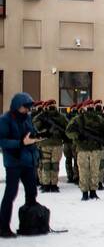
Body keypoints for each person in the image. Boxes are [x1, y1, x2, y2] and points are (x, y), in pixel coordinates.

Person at [0, 93, 41, 239]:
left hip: (28, 160)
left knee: (31, 192)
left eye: (29, 108)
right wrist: (21, 143)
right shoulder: (5, 120)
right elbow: (2, 141)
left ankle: (31, 223)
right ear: (17, 106)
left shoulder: (27, 118)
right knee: (10, 194)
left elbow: (30, 132)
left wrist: (37, 136)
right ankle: (3, 227)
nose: (28, 111)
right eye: (25, 107)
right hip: (14, 162)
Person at [66, 100, 104, 200]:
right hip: (83, 149)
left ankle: (93, 191)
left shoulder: (98, 118)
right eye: (88, 105)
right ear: (83, 107)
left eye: (91, 105)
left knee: (95, 170)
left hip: (95, 148)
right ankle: (85, 192)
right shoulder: (78, 119)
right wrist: (77, 136)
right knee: (83, 171)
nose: (90, 107)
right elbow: (68, 131)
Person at [32, 99, 67, 193]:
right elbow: (36, 125)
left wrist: (60, 132)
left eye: (53, 104)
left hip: (56, 143)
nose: (52, 106)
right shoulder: (42, 116)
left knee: (54, 165)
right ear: (46, 106)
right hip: (45, 143)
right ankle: (46, 184)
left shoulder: (60, 117)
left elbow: (66, 128)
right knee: (46, 165)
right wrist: (46, 129)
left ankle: (53, 184)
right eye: (50, 104)